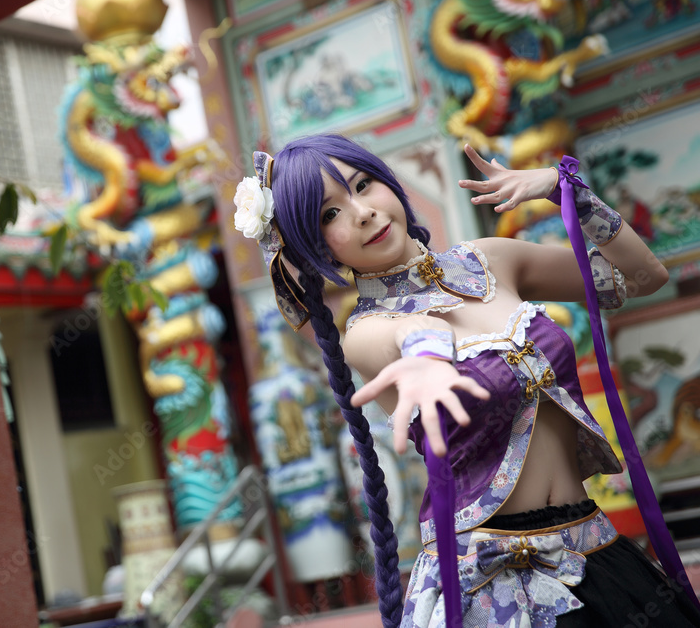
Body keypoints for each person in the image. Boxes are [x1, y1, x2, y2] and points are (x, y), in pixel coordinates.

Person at [232, 133, 700, 627]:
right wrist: (424, 354)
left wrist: (567, 190)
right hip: (492, 590)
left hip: (595, 548)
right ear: (315, 250)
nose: (361, 211)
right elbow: (413, 330)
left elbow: (641, 277)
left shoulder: (491, 260)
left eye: (363, 185)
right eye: (329, 215)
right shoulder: (365, 332)